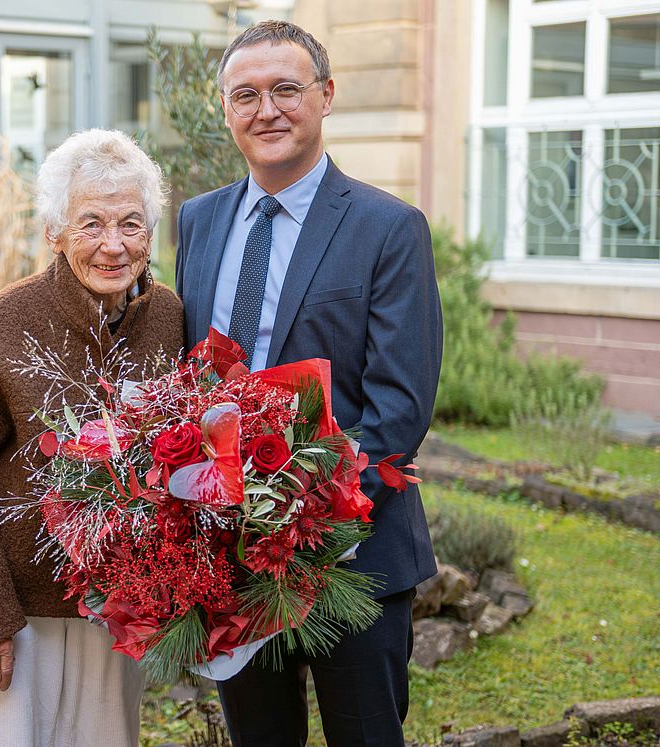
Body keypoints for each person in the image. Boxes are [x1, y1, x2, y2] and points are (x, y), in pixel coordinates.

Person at [174, 20, 443, 746]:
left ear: (326, 96)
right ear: (225, 109)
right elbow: (186, 380)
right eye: (246, 94)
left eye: (287, 89)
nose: (268, 110)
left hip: (354, 551)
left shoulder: (389, 227)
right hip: (227, 556)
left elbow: (400, 405)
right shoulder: (197, 222)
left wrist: (293, 511)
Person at [0, 129, 184, 746]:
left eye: (131, 224)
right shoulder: (5, 323)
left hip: (119, 614)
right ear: (53, 233)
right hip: (16, 617)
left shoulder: (170, 318)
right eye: (91, 224)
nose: (113, 246)